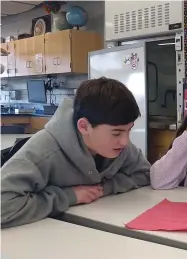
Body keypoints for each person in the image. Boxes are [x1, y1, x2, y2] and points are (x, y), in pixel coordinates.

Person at [1, 77, 151, 228]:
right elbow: (3, 206)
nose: (125, 142)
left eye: (128, 130)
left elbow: (145, 174)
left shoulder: (118, 146)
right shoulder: (44, 152)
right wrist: (68, 196)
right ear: (84, 127)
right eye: (116, 133)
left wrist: (105, 188)